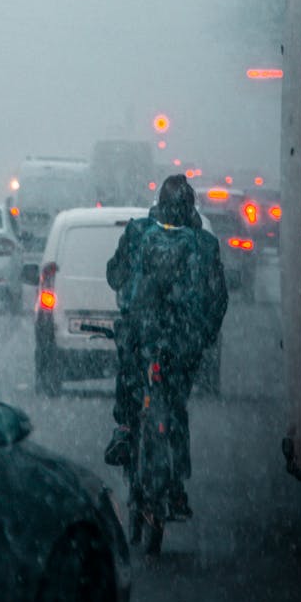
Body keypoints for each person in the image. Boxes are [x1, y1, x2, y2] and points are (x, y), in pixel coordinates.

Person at [103, 174, 228, 519]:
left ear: (158, 204)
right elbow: (218, 298)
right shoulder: (203, 243)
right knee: (174, 406)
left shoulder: (138, 232)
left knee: (130, 382)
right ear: (191, 209)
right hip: (182, 341)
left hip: (142, 334)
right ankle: (175, 487)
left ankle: (126, 432)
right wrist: (204, 337)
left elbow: (114, 275)